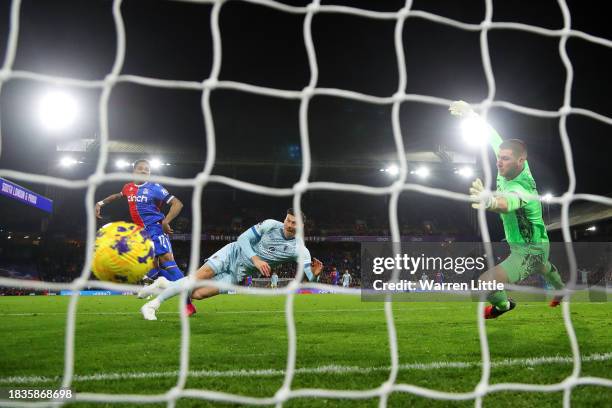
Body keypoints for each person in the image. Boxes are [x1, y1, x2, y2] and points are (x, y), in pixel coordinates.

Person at [449, 101, 565, 319]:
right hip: (539, 244)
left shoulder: (521, 188)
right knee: (544, 266)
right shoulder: (513, 165)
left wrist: (490, 201)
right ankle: (560, 289)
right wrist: (472, 115)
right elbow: (493, 137)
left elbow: (509, 202)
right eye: (498, 158)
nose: (499, 163)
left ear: (521, 161)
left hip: (528, 251)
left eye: (505, 159)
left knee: (485, 282)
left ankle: (502, 306)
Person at [140, 209, 324, 320]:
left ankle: (164, 284)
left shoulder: (300, 249)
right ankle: (152, 306)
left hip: (238, 274)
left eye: (294, 223)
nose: (289, 225)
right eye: (288, 220)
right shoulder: (270, 225)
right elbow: (243, 238)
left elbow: (310, 277)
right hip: (232, 253)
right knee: (196, 278)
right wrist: (256, 260)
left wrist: (315, 274)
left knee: (196, 293)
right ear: (285, 218)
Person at [95, 159, 196, 317]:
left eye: (147, 170)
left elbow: (177, 204)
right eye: (141, 169)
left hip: (156, 229)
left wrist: (166, 221)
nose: (144, 171)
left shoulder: (154, 188)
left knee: (168, 263)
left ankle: (188, 304)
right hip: (143, 235)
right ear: (133, 171)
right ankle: (163, 285)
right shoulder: (128, 188)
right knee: (153, 270)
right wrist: (100, 203)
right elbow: (118, 195)